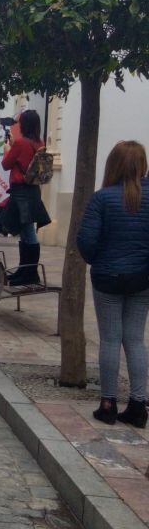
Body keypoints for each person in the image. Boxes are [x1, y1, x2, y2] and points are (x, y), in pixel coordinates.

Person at [78, 141, 149, 428]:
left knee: (110, 339)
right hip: (142, 279)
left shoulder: (102, 198)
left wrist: (100, 260)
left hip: (108, 278)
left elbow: (86, 241)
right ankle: (137, 404)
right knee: (134, 339)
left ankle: (108, 403)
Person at [2, 109, 51, 284]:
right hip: (33, 191)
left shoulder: (21, 143)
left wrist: (8, 148)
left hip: (21, 191)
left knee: (28, 232)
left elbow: (6, 164)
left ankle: (29, 274)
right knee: (26, 232)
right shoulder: (39, 142)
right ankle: (24, 271)